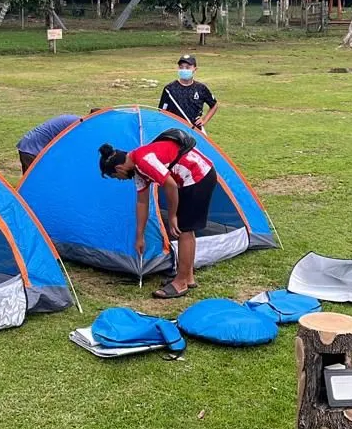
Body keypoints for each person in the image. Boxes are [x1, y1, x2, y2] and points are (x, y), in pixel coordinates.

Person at [97, 135, 218, 299]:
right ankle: (187, 277)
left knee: (184, 229)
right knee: (186, 229)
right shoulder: (137, 170)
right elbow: (142, 203)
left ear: (119, 169)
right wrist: (140, 236)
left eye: (116, 177)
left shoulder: (143, 160)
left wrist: (173, 216)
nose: (120, 180)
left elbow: (170, 185)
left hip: (198, 175)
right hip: (190, 178)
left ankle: (181, 282)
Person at [17, 110, 100, 173]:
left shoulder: (76, 120)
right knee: (36, 183)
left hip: (28, 145)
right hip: (32, 149)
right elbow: (71, 148)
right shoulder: (77, 125)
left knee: (32, 183)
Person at [158, 54, 218, 131]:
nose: (184, 70)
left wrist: (204, 120)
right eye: (181, 67)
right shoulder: (169, 89)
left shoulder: (201, 88)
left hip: (195, 130)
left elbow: (214, 105)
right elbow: (162, 111)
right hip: (175, 130)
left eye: (187, 67)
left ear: (195, 69)